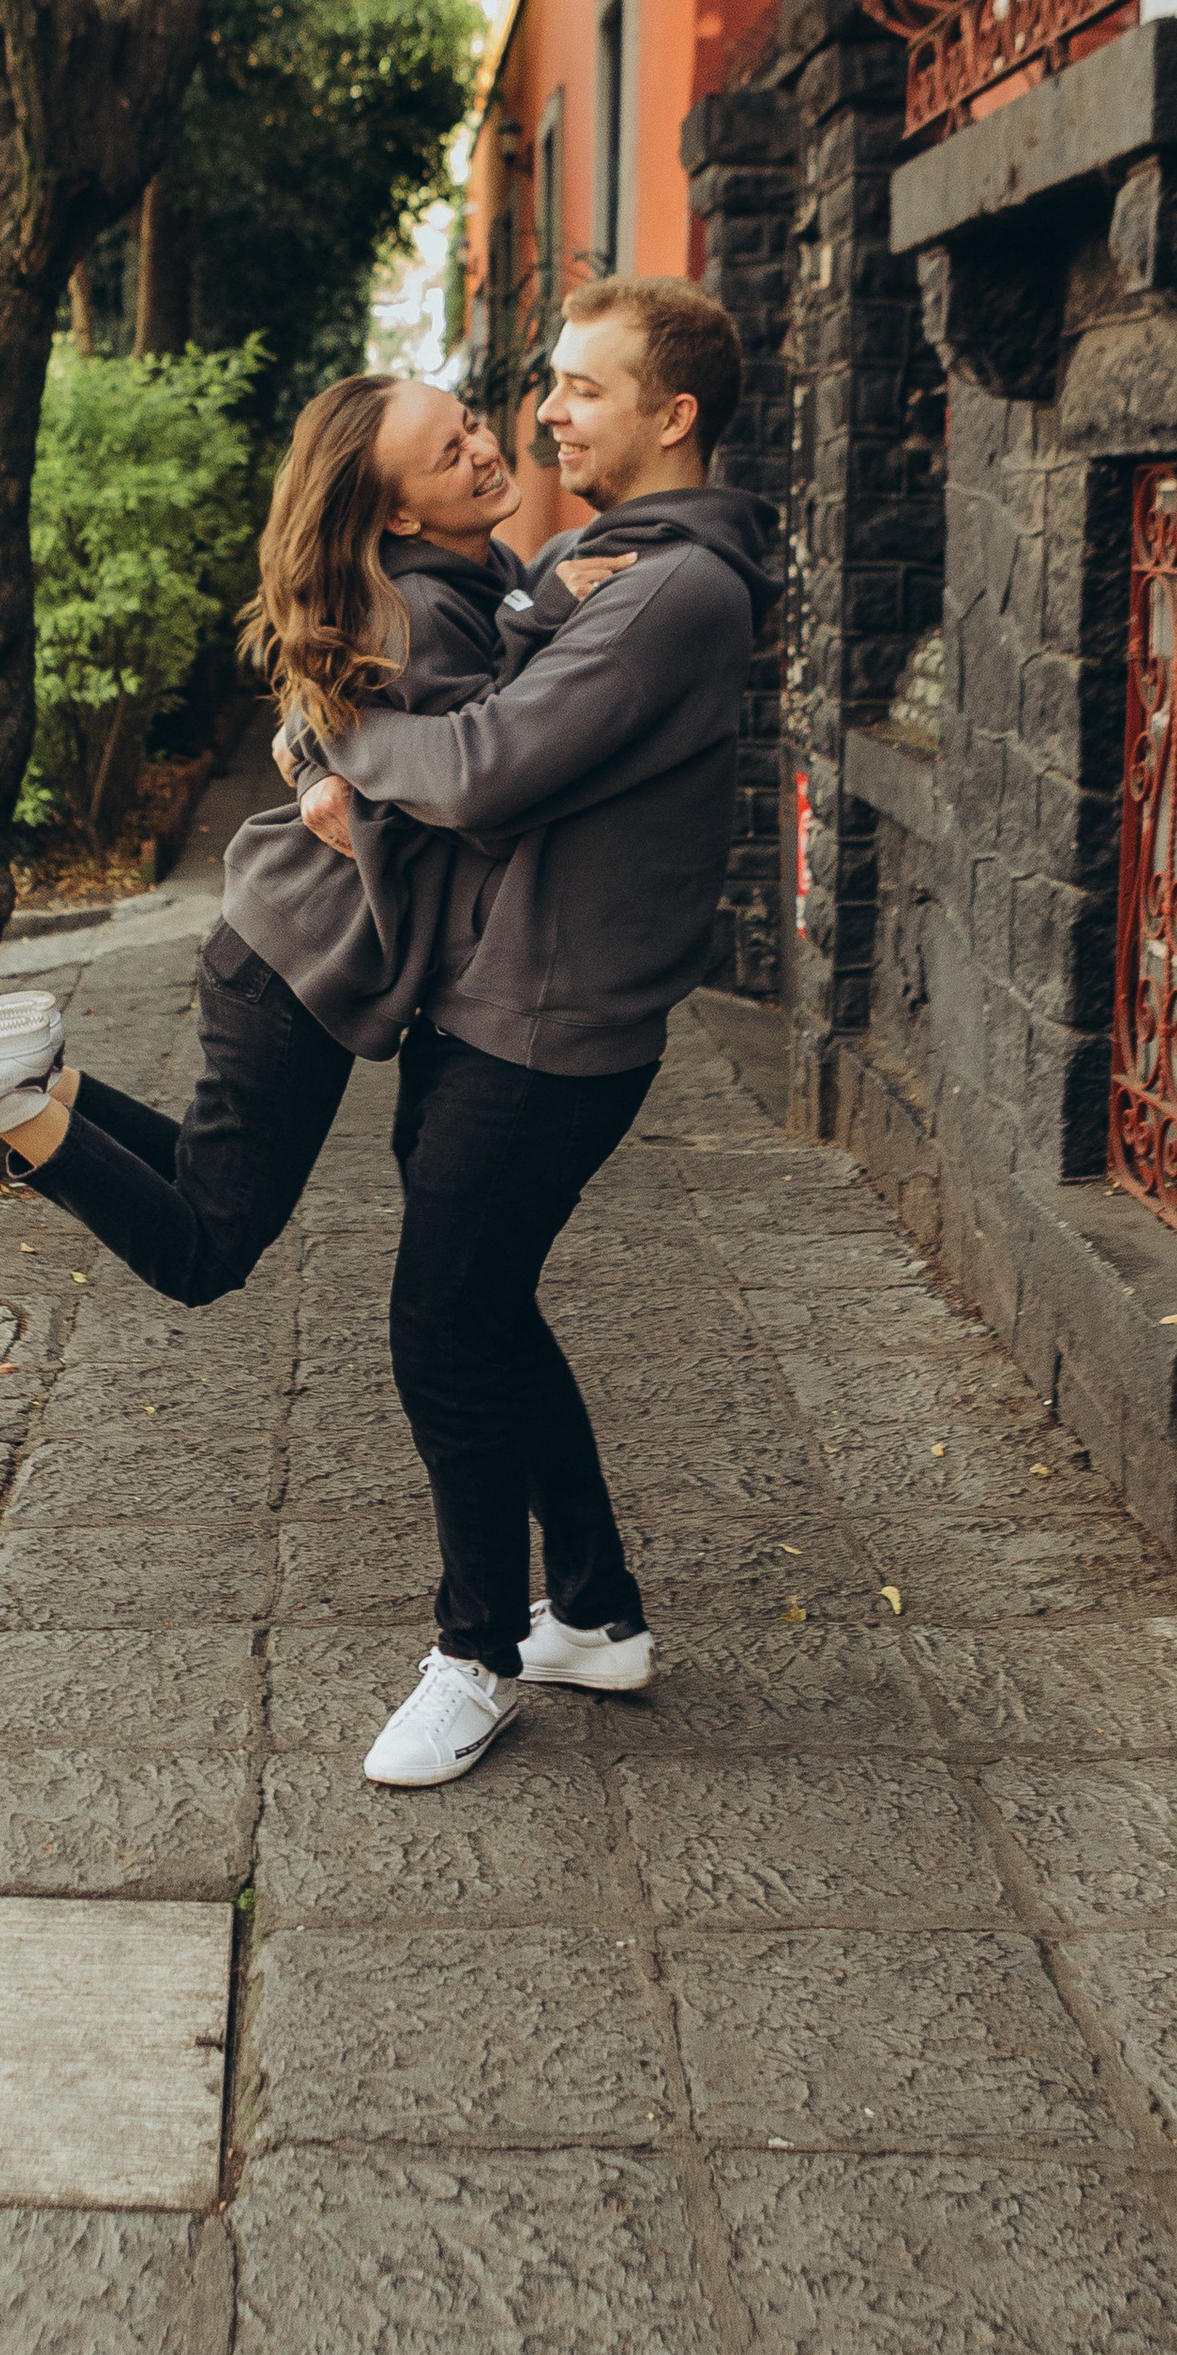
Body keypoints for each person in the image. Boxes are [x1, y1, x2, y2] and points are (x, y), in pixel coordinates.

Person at [285, 275, 780, 1789]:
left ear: (672, 414)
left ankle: (478, 1656)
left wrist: (337, 732)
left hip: (548, 1028)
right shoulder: (589, 557)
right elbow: (454, 675)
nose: (544, 411)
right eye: (551, 380)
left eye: (581, 387)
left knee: (443, 1329)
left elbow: (485, 765)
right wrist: (333, 741)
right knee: (491, 1309)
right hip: (496, 998)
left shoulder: (673, 593)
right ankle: (598, 1614)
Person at [0, 370, 547, 1311]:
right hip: (295, 965)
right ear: (400, 516)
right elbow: (487, 773)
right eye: (451, 453)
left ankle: (42, 1084)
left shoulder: (477, 575)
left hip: (288, 944)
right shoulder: (422, 612)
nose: (485, 448)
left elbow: (340, 709)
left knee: (201, 1178)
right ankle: (4, 1101)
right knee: (204, 1251)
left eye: (472, 424)